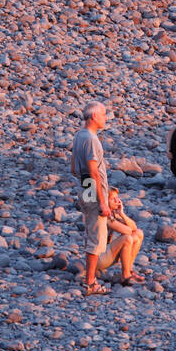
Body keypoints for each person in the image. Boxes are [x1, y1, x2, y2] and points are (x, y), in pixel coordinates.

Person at [70, 101, 114, 296]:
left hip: (85, 186)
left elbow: (74, 167)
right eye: (104, 115)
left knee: (92, 229)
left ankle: (91, 279)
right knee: (96, 235)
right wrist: (103, 201)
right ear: (94, 117)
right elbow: (93, 171)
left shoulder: (79, 135)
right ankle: (90, 283)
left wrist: (85, 185)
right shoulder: (91, 139)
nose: (106, 118)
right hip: (93, 189)